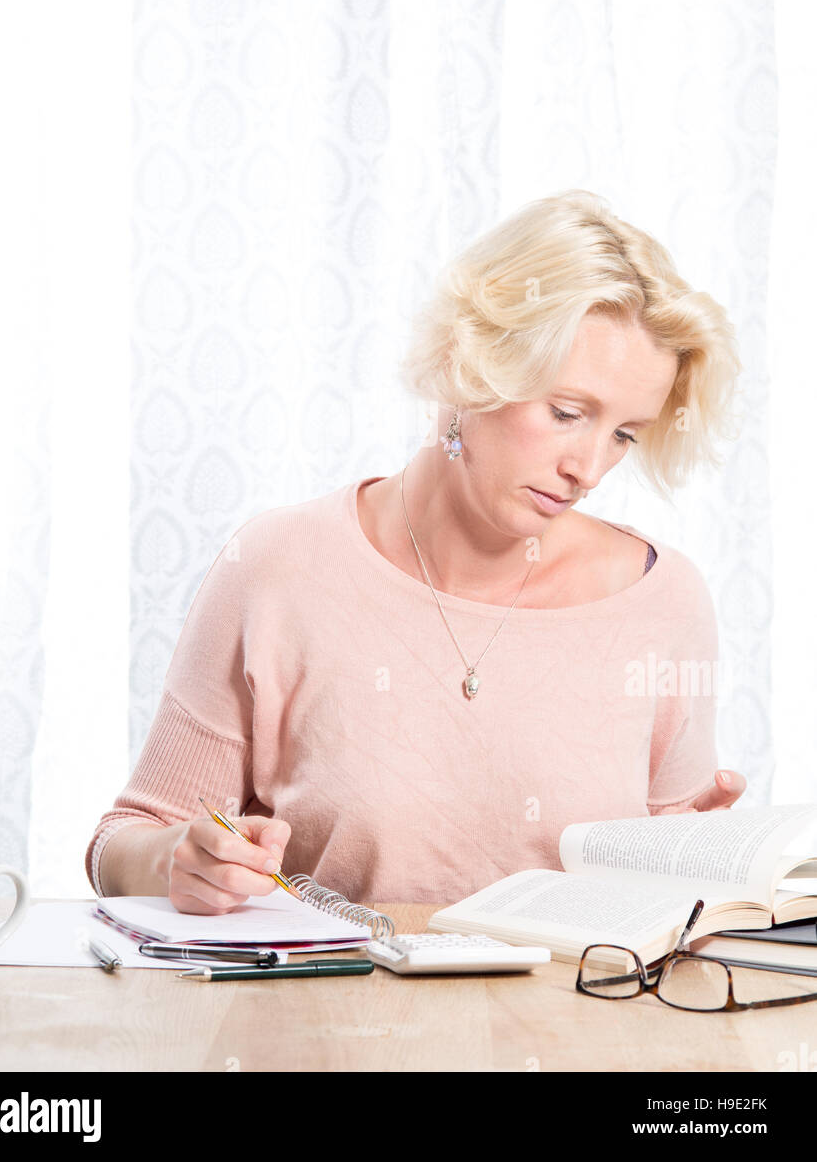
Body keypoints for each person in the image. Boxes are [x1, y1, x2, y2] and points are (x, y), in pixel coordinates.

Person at [86, 190, 747, 913]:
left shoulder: (660, 600)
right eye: (565, 413)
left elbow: (663, 902)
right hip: (327, 1017)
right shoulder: (279, 566)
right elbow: (127, 838)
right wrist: (179, 861)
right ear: (468, 364)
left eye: (624, 434)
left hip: (575, 1022)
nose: (588, 467)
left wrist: (700, 865)